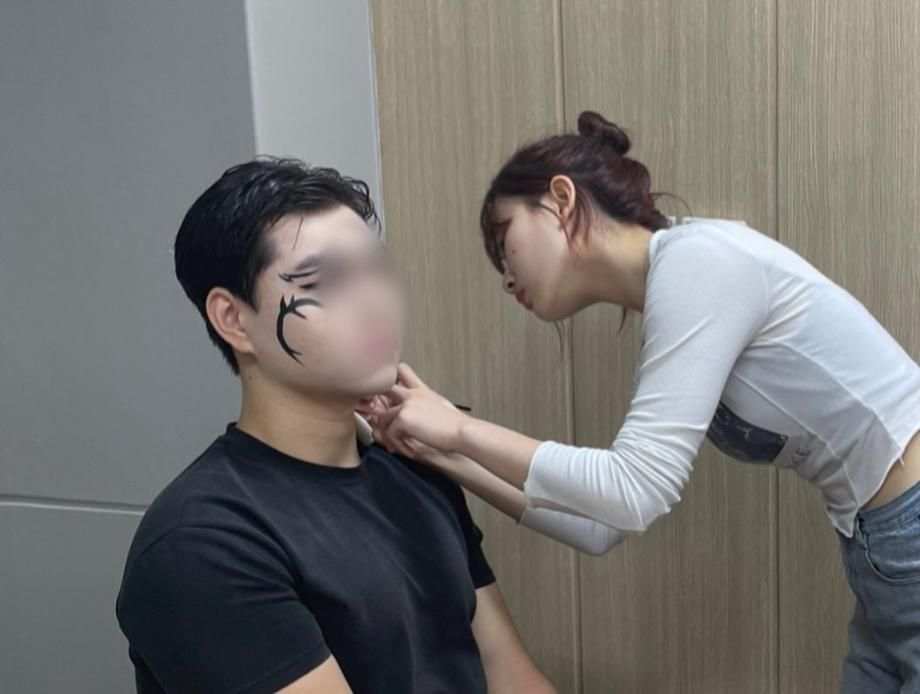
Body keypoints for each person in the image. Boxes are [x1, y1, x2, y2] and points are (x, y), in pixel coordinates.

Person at [365, 112, 920, 693]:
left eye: (505, 243)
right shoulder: (679, 287)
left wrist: (457, 429)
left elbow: (633, 492)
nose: (506, 279)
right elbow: (601, 526)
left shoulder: (697, 263)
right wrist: (438, 452)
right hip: (878, 544)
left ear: (560, 200)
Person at [114, 158, 561, 694]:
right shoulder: (202, 542)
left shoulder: (416, 472)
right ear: (233, 320)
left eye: (379, 271)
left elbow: (513, 677)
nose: (375, 304)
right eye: (327, 281)